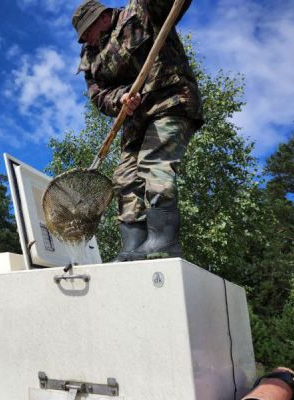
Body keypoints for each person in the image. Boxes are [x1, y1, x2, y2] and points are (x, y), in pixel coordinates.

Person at [72, 0, 203, 261]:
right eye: (82, 36)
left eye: (87, 30)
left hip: (170, 100)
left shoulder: (139, 10)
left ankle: (162, 241)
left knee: (153, 163)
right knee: (125, 178)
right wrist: (120, 97)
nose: (86, 38)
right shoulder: (90, 58)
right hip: (134, 120)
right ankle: (134, 246)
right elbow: (99, 96)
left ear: (102, 17)